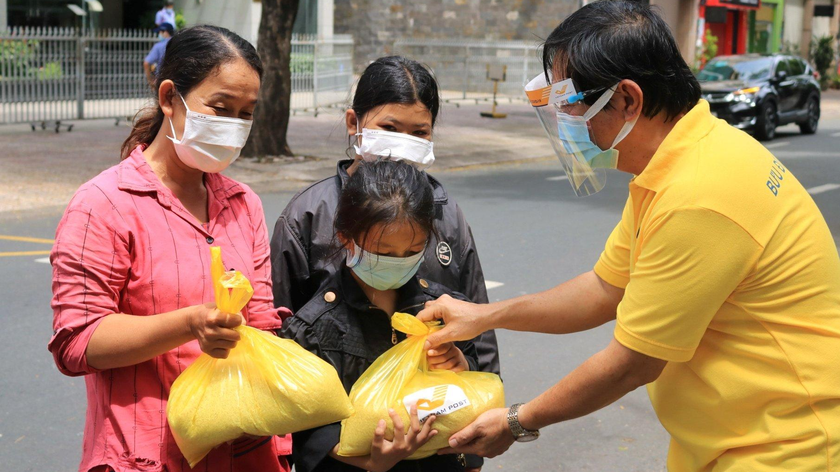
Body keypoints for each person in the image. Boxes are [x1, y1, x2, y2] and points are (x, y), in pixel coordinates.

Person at [417, 2, 840, 471]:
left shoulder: (698, 195)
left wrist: (517, 421)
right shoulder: (683, 160)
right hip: (730, 439)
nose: (566, 121)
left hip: (783, 447)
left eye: (571, 104)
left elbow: (634, 362)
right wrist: (481, 315)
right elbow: (605, 289)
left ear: (627, 100)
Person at [48, 25, 292, 472]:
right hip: (146, 453)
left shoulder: (243, 204)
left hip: (245, 451)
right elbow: (78, 341)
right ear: (168, 98)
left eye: (245, 114)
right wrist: (189, 323)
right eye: (220, 109)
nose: (233, 127)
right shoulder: (103, 204)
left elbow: (260, 325)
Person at [270, 55, 500, 377]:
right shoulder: (308, 215)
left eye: (419, 132)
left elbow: (477, 323)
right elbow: (281, 328)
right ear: (354, 123)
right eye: (390, 128)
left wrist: (485, 386)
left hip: (432, 405)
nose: (403, 145)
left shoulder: (445, 213)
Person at [281, 159, 480, 472]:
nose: (399, 262)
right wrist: (371, 462)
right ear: (346, 238)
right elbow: (306, 426)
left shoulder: (443, 311)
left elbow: (476, 392)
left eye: (413, 250)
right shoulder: (314, 328)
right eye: (385, 253)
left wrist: (461, 365)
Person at [144, 22, 174, 87]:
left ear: (165, 32)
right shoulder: (178, 44)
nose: (159, 34)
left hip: (162, 81)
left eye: (160, 32)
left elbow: (146, 63)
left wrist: (151, 81)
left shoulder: (159, 46)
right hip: (178, 80)